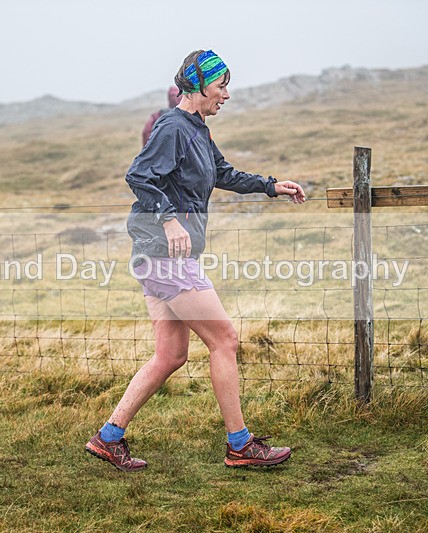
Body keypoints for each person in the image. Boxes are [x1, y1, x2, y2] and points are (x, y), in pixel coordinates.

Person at [85, 49, 306, 472]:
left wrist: (270, 186)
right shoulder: (172, 126)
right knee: (224, 340)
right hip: (165, 255)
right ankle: (239, 445)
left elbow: (221, 172)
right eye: (221, 86)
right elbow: (139, 175)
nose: (226, 95)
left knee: (170, 355)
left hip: (155, 258)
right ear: (198, 85)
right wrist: (169, 220)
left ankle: (108, 438)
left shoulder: (196, 128)